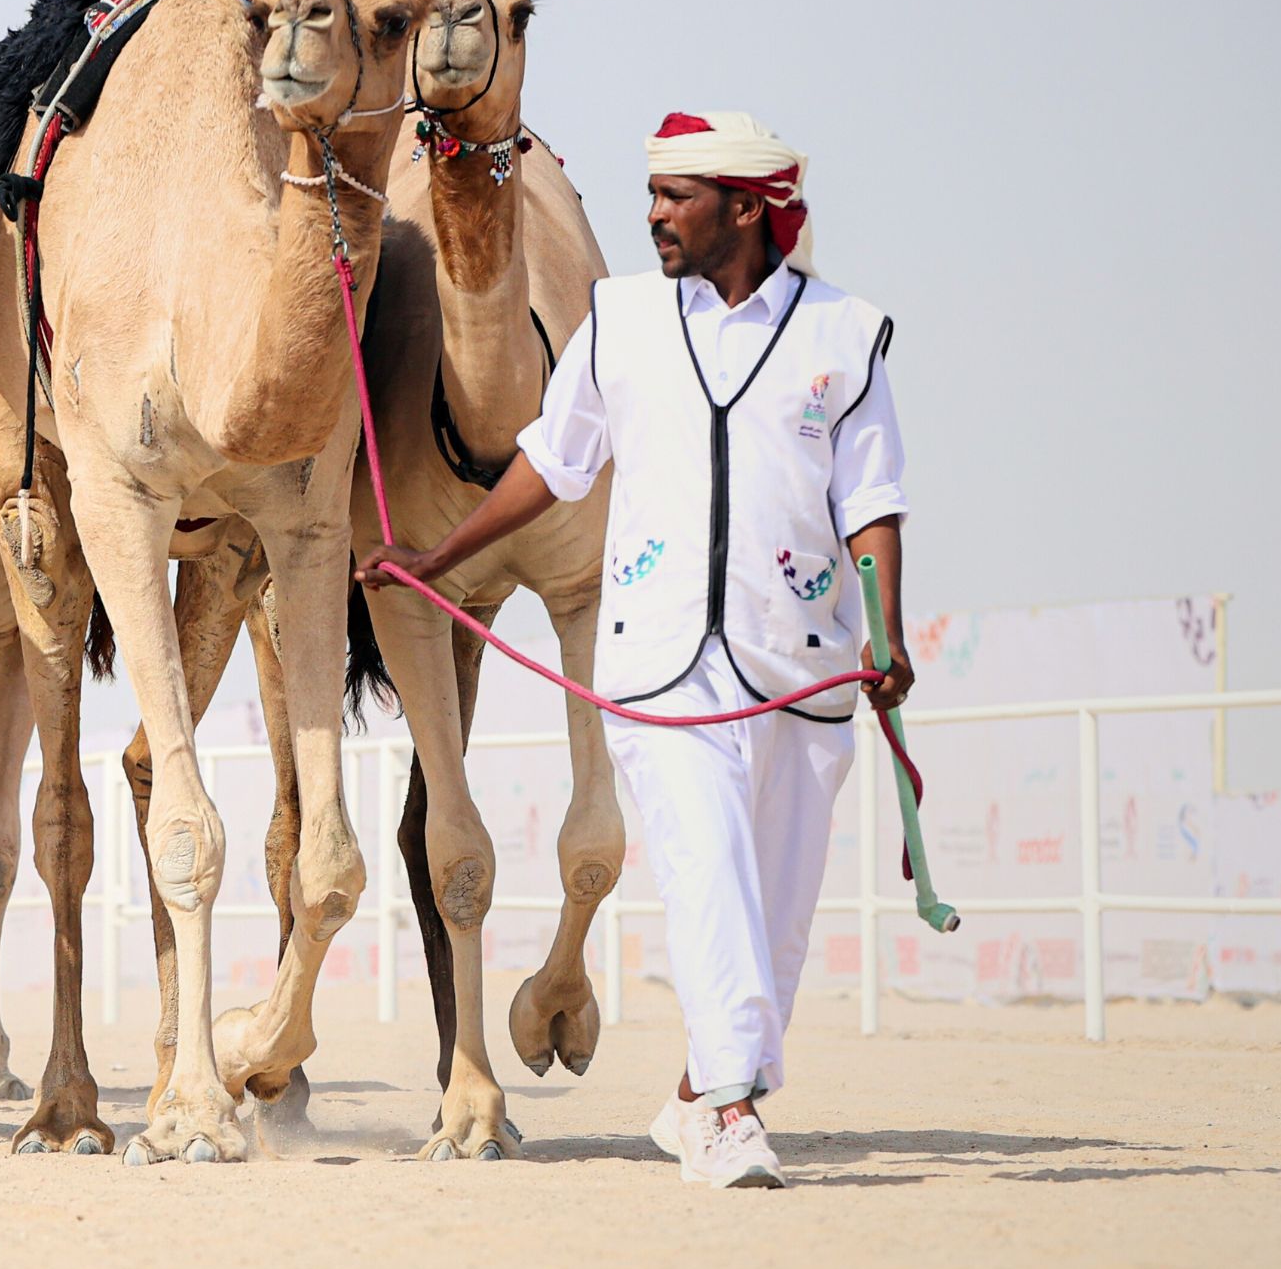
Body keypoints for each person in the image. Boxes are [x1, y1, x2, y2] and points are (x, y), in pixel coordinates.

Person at [360, 110, 912, 1189]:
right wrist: (436, 555)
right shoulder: (619, 324)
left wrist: (887, 629)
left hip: (805, 659)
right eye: (652, 194)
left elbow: (876, 498)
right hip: (660, 660)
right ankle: (734, 1112)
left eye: (676, 198)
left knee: (778, 911)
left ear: (746, 210)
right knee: (705, 870)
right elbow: (550, 464)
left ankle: (693, 1095)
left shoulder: (846, 337)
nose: (651, 215)